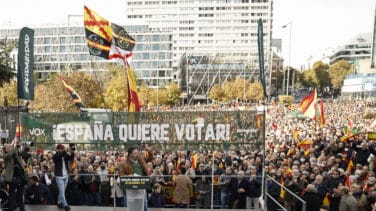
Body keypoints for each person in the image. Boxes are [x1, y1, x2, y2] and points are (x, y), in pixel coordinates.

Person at [119, 146, 153, 211]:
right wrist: (127, 176)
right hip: (131, 185)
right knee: (130, 204)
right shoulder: (123, 163)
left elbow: (150, 159)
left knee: (144, 203)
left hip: (142, 184)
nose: (137, 154)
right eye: (135, 153)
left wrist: (149, 150)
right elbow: (121, 175)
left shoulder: (141, 159)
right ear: (130, 154)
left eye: (137, 153)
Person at [4, 142, 27, 211]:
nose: (10, 148)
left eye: (10, 147)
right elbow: (10, 154)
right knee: (12, 195)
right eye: (8, 148)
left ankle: (22, 209)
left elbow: (21, 152)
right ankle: (11, 209)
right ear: (5, 149)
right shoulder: (5, 155)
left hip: (21, 176)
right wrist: (15, 147)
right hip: (12, 178)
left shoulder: (16, 154)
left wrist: (23, 146)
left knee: (20, 194)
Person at [53, 144, 74, 211]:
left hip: (66, 175)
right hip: (59, 176)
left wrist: (72, 151)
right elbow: (58, 157)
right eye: (61, 149)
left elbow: (71, 158)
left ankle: (59, 202)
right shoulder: (55, 156)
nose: (62, 150)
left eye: (62, 149)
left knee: (62, 191)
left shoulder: (64, 155)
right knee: (62, 191)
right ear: (57, 149)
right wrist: (64, 151)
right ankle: (65, 205)